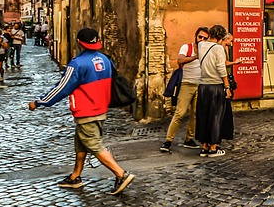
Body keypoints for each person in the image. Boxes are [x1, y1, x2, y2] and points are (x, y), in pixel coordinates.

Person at [27, 27, 135, 194]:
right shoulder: (105, 59)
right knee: (81, 142)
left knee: (93, 144)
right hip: (100, 108)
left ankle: (121, 174)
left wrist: (40, 102)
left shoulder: (77, 64)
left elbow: (62, 88)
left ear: (79, 42)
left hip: (86, 110)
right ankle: (75, 176)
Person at [160, 26, 210, 153]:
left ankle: (189, 139)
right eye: (200, 37)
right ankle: (168, 141)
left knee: (195, 114)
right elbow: (180, 60)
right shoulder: (187, 47)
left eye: (205, 38)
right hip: (187, 84)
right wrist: (195, 57)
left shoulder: (208, 50)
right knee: (180, 113)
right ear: (196, 36)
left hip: (200, 84)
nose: (202, 40)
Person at [195, 24, 232, 157]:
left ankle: (204, 146)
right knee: (216, 116)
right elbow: (221, 69)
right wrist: (227, 86)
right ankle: (213, 147)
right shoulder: (218, 49)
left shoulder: (201, 45)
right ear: (221, 37)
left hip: (203, 85)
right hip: (216, 85)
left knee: (203, 116)